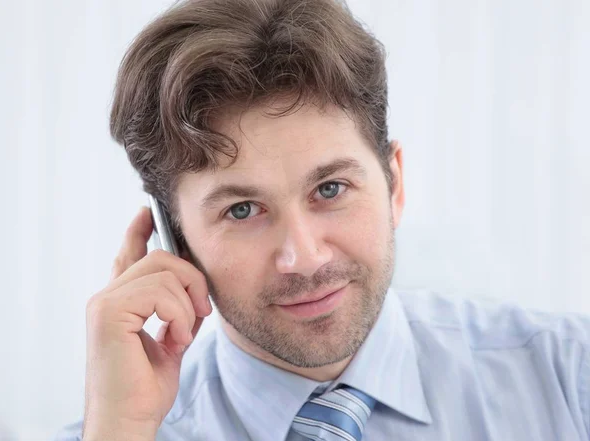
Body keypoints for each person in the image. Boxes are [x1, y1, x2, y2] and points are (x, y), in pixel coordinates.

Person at [54, 0, 590, 440]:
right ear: (178, 241)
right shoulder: (122, 431)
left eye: (330, 189)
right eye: (242, 210)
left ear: (394, 185)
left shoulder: (569, 376)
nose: (304, 257)